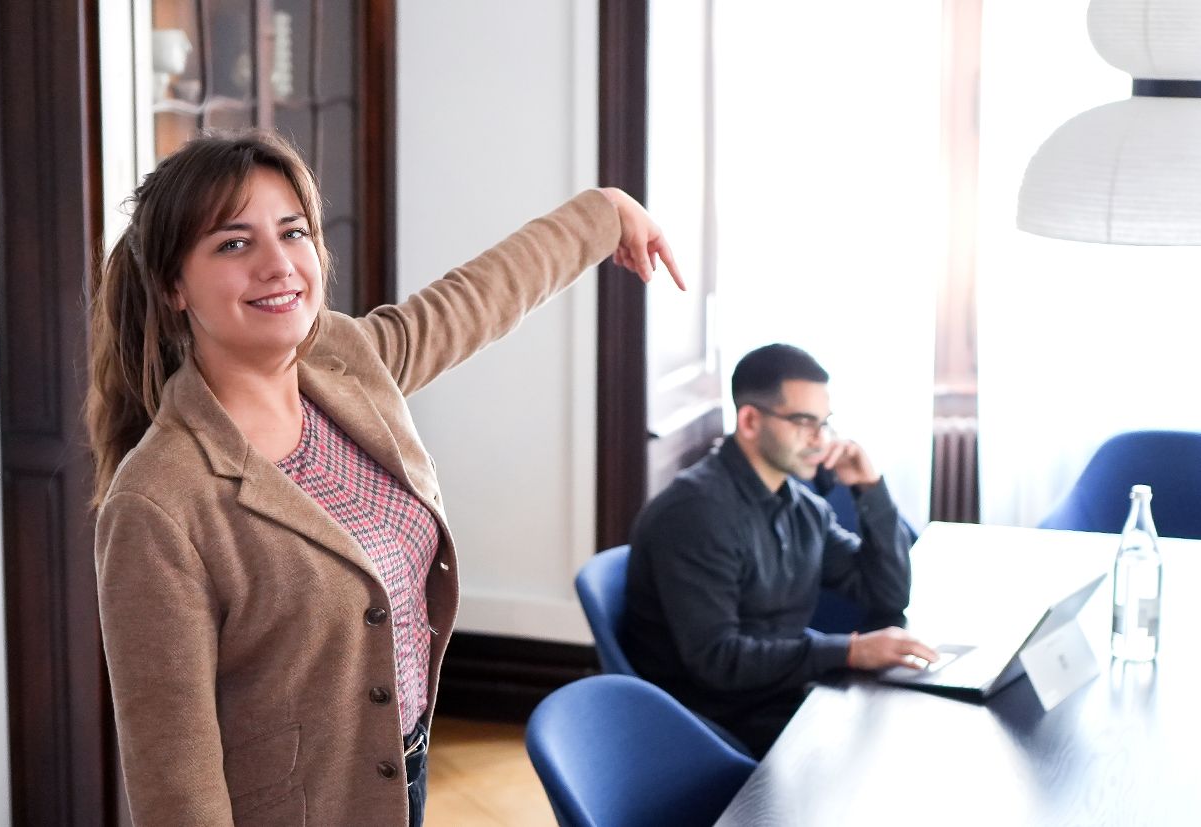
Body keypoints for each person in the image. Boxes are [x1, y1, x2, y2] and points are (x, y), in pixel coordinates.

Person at [87, 130, 683, 827]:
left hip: (402, 772)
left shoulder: (345, 362)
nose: (279, 265)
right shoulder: (158, 500)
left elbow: (473, 300)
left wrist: (603, 211)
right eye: (233, 243)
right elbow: (174, 777)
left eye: (294, 232)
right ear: (172, 285)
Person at [624, 343, 937, 757]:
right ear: (750, 421)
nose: (819, 439)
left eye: (824, 424)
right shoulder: (696, 514)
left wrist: (870, 489)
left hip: (781, 693)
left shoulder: (803, 507)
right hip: (710, 724)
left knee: (916, 730)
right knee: (895, 752)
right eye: (804, 422)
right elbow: (718, 660)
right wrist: (848, 651)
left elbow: (888, 594)